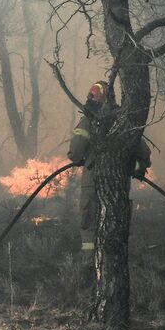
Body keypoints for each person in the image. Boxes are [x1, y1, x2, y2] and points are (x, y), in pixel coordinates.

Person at [67, 80, 151, 256]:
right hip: (119, 182)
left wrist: (80, 159)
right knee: (114, 219)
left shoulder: (89, 121)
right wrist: (141, 169)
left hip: (93, 180)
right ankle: (112, 260)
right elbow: (142, 150)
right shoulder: (122, 121)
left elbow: (75, 152)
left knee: (90, 220)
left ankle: (89, 265)